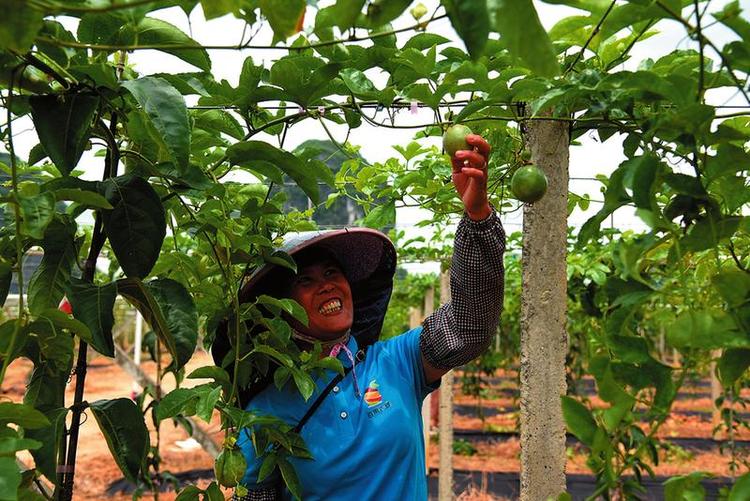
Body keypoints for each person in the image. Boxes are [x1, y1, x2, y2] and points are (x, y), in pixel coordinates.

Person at [215, 134, 506, 500]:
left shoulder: (397, 363)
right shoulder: (266, 412)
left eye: (333, 274)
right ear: (280, 309)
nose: (327, 286)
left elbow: (470, 326)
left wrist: (477, 217)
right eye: (305, 280)